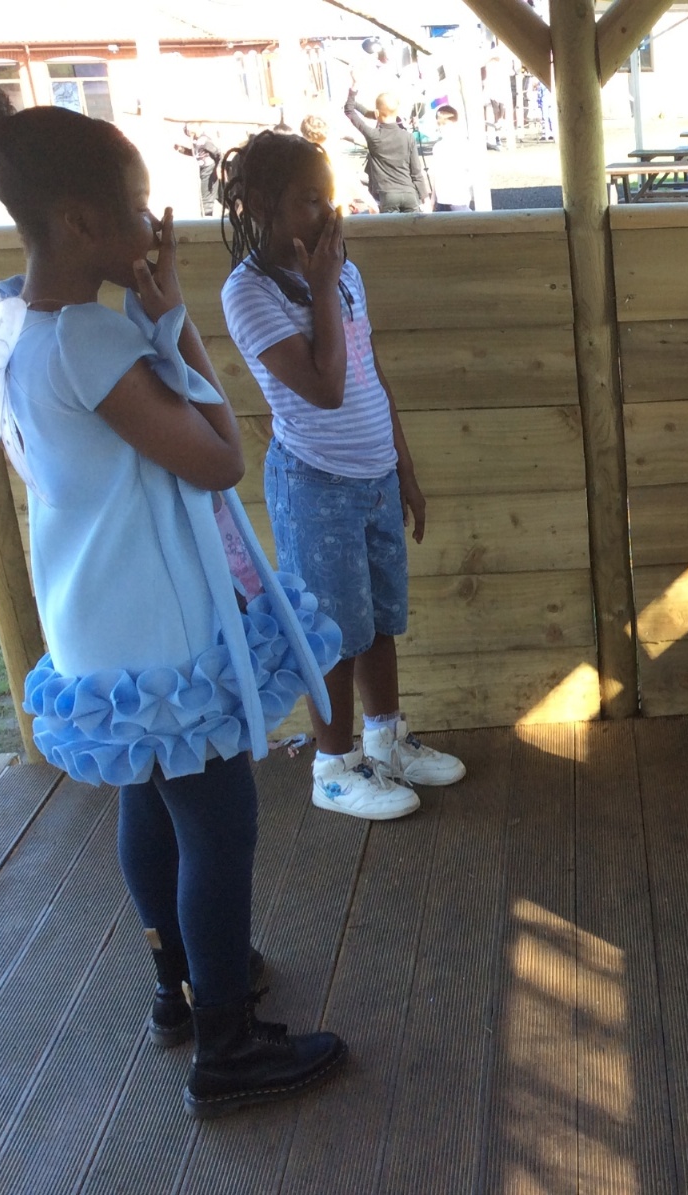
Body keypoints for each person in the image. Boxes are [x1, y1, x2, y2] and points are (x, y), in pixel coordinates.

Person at [0, 83, 346, 1118]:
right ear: (80, 223)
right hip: (160, 621)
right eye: (138, 208)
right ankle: (227, 1043)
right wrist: (171, 315)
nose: (152, 224)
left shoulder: (15, 328)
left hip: (95, 620)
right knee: (219, 821)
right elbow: (220, 454)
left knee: (149, 796)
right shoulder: (93, 344)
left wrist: (150, 307)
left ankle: (178, 984)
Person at [218, 130, 465, 822]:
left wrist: (404, 468)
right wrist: (322, 286)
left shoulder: (343, 274)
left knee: (379, 620)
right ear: (259, 204)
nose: (326, 215)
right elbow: (326, 389)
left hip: (374, 475)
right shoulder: (250, 292)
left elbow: (368, 375)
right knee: (329, 631)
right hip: (314, 483)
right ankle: (332, 767)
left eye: (328, 199)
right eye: (307, 201)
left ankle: (385, 740)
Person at [341, 82, 428, 213]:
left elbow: (349, 110)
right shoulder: (408, 137)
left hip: (388, 195)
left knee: (390, 227)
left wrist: (353, 87)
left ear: (377, 113)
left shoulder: (373, 135)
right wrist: (425, 199)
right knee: (412, 227)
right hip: (410, 194)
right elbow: (416, 172)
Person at [299, 113, 375, 215]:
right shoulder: (332, 155)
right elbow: (353, 181)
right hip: (339, 210)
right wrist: (371, 203)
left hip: (315, 214)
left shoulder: (303, 161)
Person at [424, 105, 474, 212]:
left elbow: (472, 173)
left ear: (455, 123)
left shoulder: (464, 145)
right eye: (439, 124)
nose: (441, 127)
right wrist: (433, 199)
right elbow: (436, 175)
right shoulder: (438, 147)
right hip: (442, 201)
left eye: (444, 123)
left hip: (459, 200)